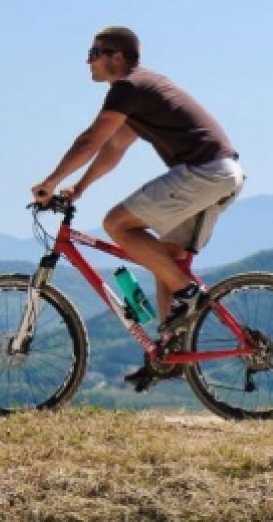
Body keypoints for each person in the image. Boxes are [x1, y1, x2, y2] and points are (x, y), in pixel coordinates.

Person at [31, 26, 244, 388]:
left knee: (117, 223)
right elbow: (113, 148)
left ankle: (188, 294)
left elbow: (91, 140)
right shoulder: (141, 92)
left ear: (116, 56)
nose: (88, 60)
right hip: (223, 174)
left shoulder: (129, 86)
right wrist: (79, 187)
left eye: (94, 52)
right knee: (169, 260)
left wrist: (49, 182)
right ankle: (169, 354)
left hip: (204, 172)